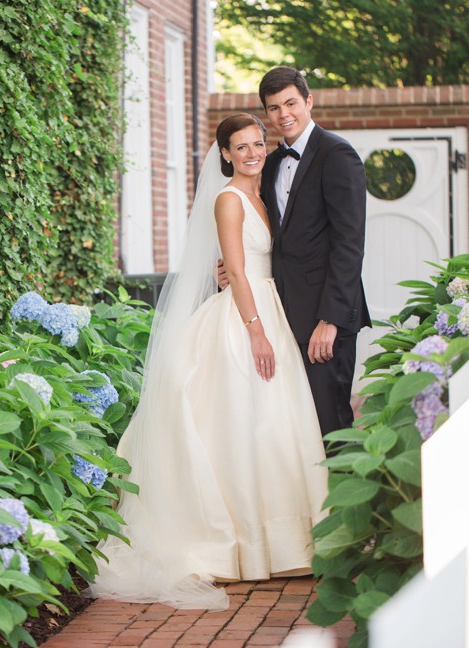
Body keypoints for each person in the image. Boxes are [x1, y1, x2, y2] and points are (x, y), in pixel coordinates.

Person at [87, 114, 328, 611]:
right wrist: (255, 332)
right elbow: (237, 271)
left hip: (273, 310)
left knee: (277, 428)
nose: (252, 152)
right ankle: (235, 547)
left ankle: (286, 545)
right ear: (224, 154)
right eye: (240, 147)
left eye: (258, 144)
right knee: (241, 426)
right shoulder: (228, 199)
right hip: (246, 321)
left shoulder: (267, 197)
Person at [221, 67, 371, 435]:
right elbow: (263, 234)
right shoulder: (269, 165)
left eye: (291, 103)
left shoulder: (338, 154)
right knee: (293, 430)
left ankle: (342, 493)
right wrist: (228, 267)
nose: (283, 114)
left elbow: (349, 245)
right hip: (281, 316)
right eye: (273, 108)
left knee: (330, 423)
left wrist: (330, 320)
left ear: (308, 101)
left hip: (324, 320)